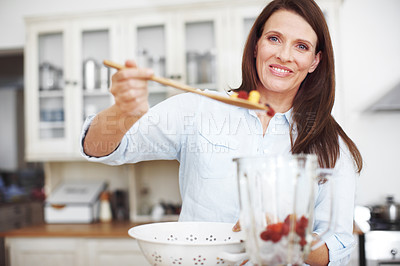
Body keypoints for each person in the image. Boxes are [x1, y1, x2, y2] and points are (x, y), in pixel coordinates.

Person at [81, 0, 362, 265]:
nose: (284, 55)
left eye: (301, 46)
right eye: (274, 39)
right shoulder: (199, 109)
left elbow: (339, 248)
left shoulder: (332, 145)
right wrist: (123, 111)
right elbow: (100, 148)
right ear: (256, 46)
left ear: (315, 61)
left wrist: (285, 236)